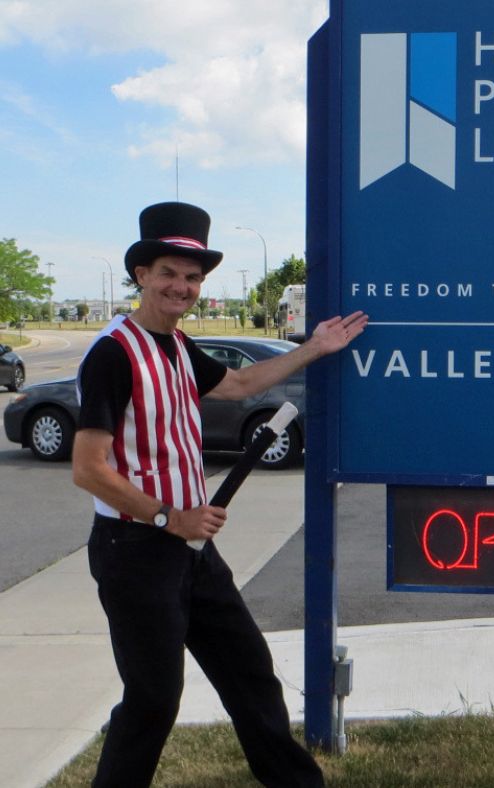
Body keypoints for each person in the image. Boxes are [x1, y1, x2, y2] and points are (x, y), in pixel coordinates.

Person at [72, 201, 368, 787]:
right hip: (135, 550)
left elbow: (236, 383)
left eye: (191, 277)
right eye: (168, 274)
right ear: (141, 276)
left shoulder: (178, 347)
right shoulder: (114, 352)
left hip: (190, 552)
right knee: (153, 700)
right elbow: (88, 468)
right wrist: (168, 517)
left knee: (251, 675)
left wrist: (313, 347)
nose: (181, 286)